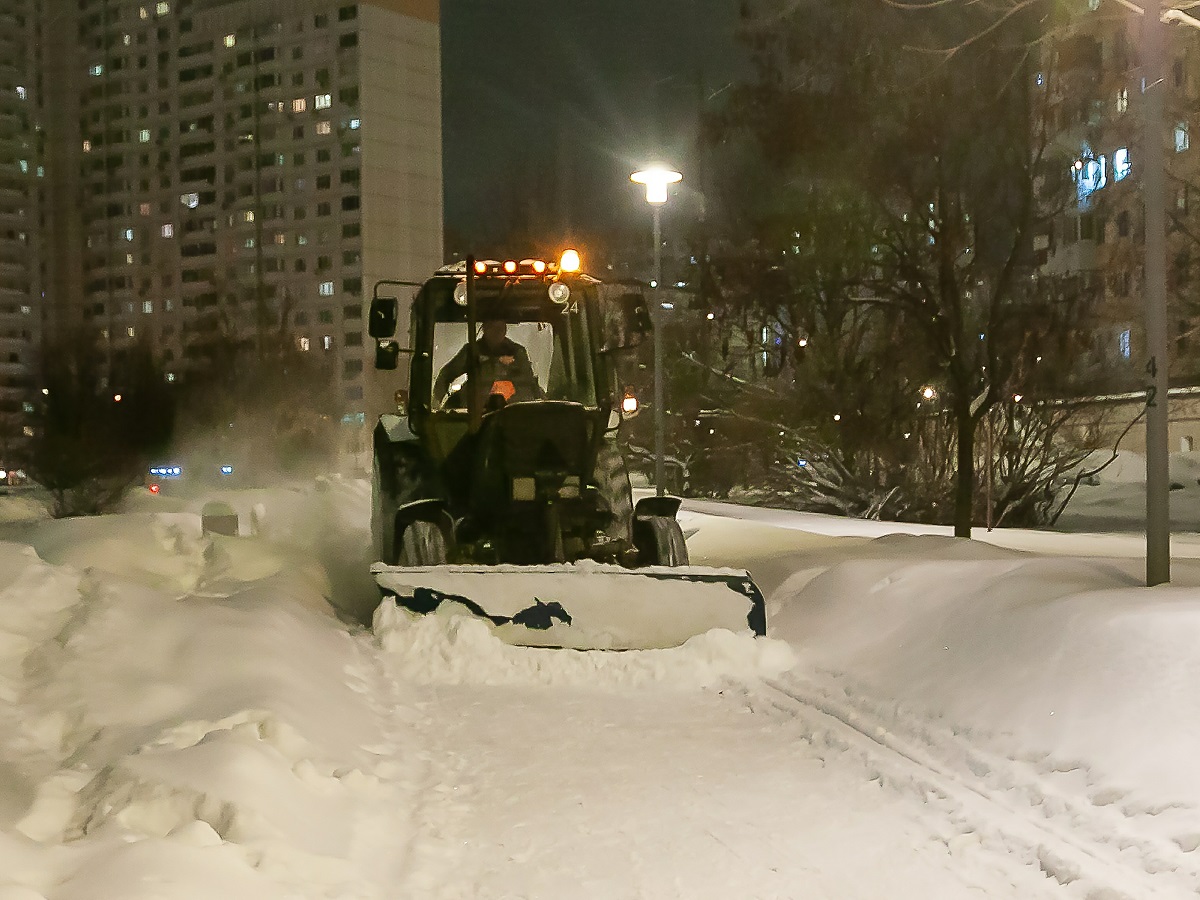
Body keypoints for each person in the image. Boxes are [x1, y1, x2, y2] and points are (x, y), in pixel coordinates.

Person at [434, 316, 545, 408]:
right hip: (475, 414)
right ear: (485, 328)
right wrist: (436, 402)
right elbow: (446, 374)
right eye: (493, 327)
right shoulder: (472, 351)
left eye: (500, 328)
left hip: (513, 413)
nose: (497, 332)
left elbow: (528, 381)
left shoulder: (517, 352)